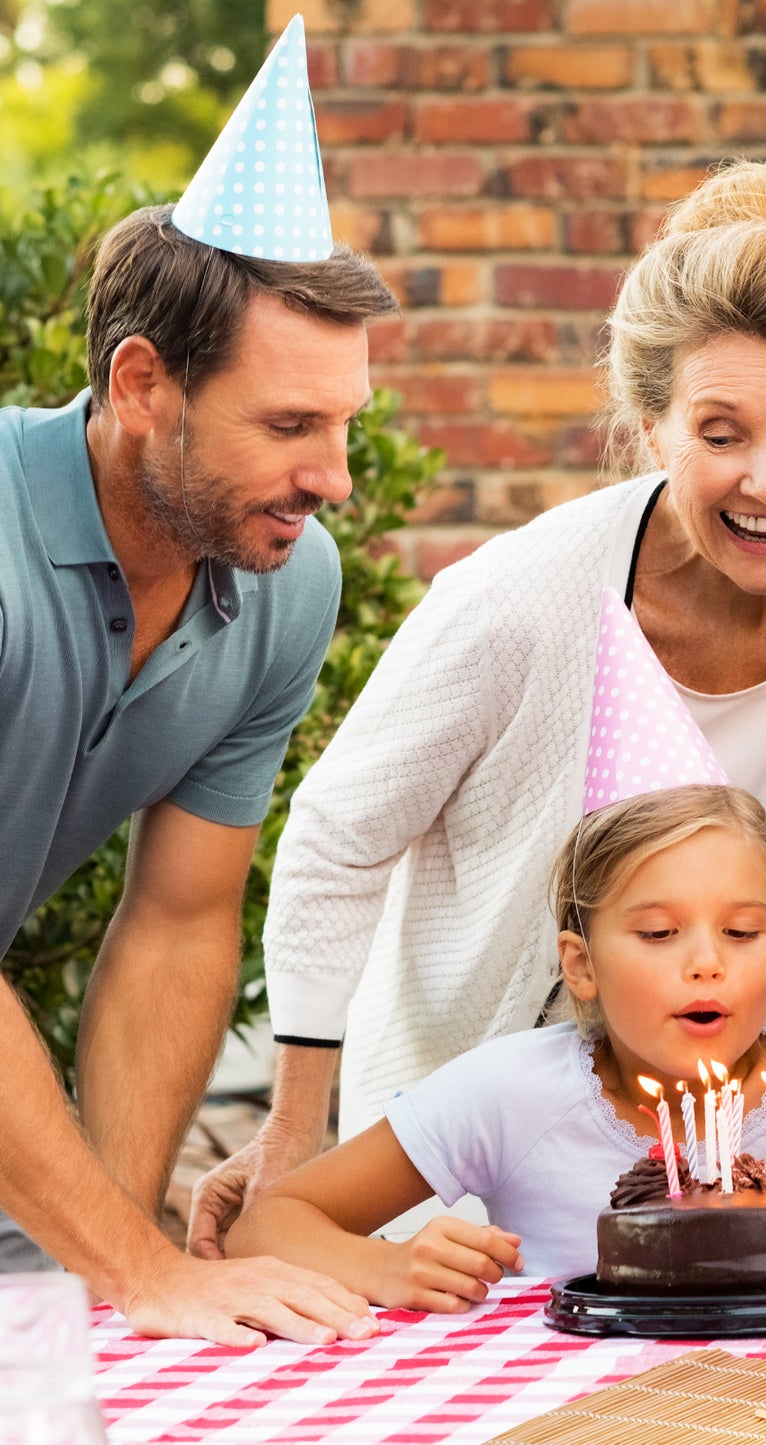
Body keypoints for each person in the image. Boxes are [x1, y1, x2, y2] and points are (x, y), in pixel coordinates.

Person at [193, 161, 766, 1253]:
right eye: (720, 434)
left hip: (731, 1188)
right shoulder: (511, 601)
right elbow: (337, 839)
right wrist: (296, 1128)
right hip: (461, 1187)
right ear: (650, 424)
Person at [0, 195, 395, 1343]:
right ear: (140, 386)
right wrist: (142, 1269)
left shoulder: (287, 582)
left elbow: (177, 920)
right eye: (286, 425)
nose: (334, 477)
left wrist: (118, 1271)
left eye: (346, 424)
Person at [226, 785, 766, 1299]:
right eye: (659, 933)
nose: (705, 962)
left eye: (742, 932)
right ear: (581, 964)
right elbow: (265, 1225)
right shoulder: (511, 1091)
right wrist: (386, 1265)